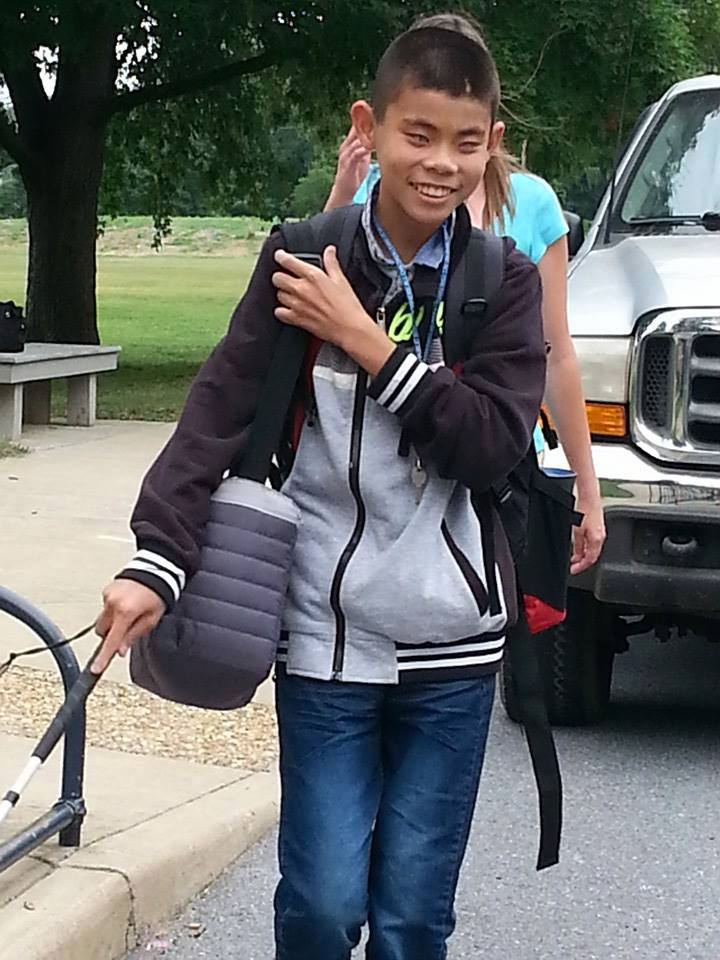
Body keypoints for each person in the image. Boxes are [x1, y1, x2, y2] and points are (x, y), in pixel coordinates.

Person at [94, 17, 546, 960]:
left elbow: (494, 445)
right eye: (417, 135)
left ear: (492, 144)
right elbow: (215, 411)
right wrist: (154, 558)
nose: (440, 163)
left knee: (415, 919)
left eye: (467, 143)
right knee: (322, 906)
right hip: (323, 643)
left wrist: (372, 345)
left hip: (452, 652)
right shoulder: (304, 255)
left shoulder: (501, 283)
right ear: (371, 127)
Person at [326, 14, 606, 576]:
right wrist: (342, 190)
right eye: (420, 132)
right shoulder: (377, 193)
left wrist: (587, 487)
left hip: (489, 467)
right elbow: (316, 289)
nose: (439, 162)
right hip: (365, 459)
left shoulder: (532, 207)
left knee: (490, 619)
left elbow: (558, 352)